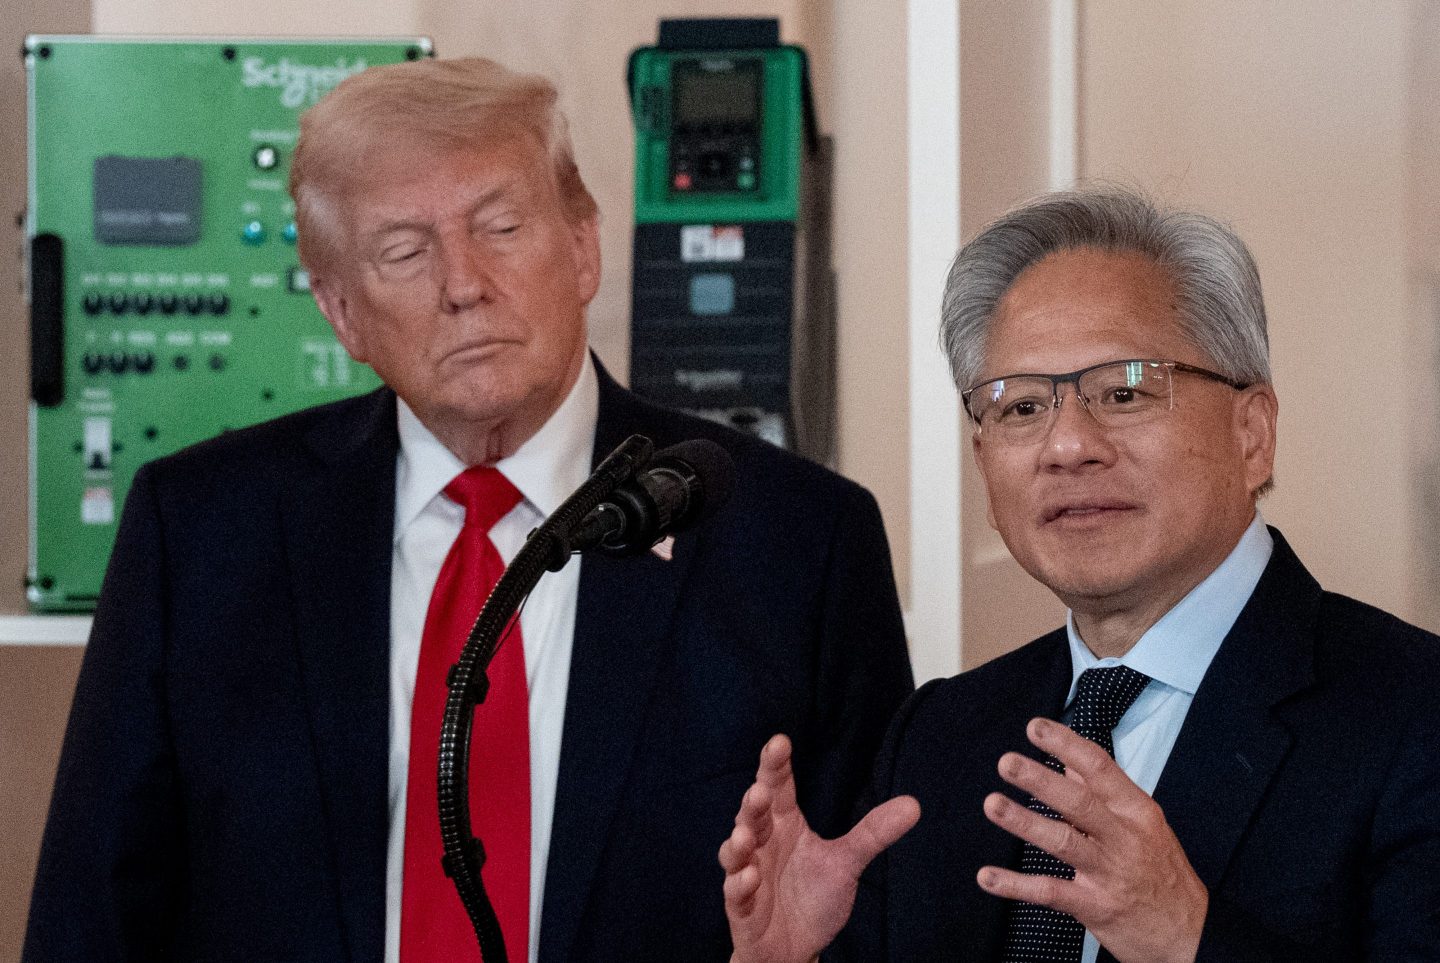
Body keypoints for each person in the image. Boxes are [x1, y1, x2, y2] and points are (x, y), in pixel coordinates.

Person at [22, 57, 913, 963]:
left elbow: (875, 914)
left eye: (502, 225)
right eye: (404, 250)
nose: (464, 283)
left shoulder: (800, 539)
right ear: (341, 313)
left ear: (582, 246)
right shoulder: (201, 532)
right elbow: (89, 920)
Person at [720, 187, 1440, 962]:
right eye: (1022, 408)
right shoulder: (936, 738)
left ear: (1252, 433)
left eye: (1124, 391)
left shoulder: (1413, 715)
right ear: (983, 466)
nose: (1067, 446)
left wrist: (1185, 937)